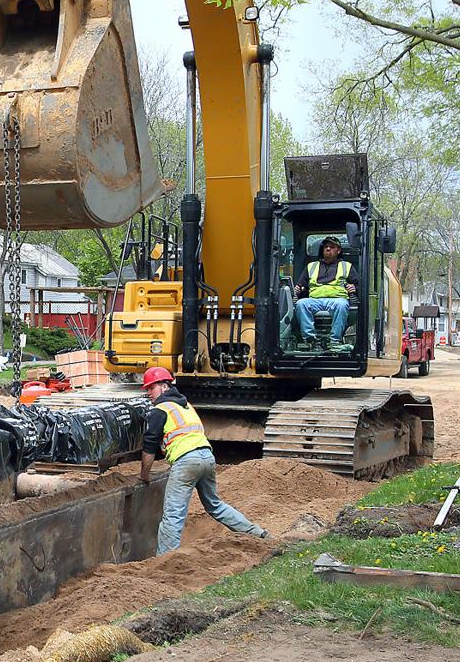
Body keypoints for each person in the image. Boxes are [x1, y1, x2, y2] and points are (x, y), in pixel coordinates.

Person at [138, 367, 269, 554]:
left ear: (164, 386)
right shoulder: (185, 406)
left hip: (186, 461)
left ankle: (164, 559)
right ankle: (257, 533)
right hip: (207, 457)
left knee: (173, 515)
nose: (149, 392)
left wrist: (144, 474)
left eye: (151, 388)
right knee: (215, 505)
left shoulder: (160, 409)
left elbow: (149, 445)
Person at [293, 235, 359, 345]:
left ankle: (335, 340)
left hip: (337, 300)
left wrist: (354, 288)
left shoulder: (346, 266)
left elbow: (358, 286)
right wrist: (299, 289)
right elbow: (302, 286)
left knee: (342, 305)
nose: (328, 249)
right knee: (301, 304)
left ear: (338, 250)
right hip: (314, 300)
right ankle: (309, 339)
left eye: (332, 247)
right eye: (326, 247)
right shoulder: (311, 266)